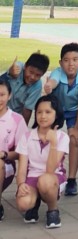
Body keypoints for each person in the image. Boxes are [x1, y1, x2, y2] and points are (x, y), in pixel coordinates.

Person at [44, 42, 78, 196]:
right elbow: (53, 81)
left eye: (75, 59)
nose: (71, 64)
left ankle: (71, 179)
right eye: (66, 60)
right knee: (49, 140)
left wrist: (77, 128)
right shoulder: (58, 73)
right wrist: (49, 86)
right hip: (57, 110)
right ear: (60, 62)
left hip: (75, 111)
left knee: (75, 140)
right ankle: (48, 172)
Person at [15, 94, 69, 229]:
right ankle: (34, 202)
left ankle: (52, 210)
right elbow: (22, 168)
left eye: (48, 112)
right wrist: (21, 184)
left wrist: (53, 143)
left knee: (45, 180)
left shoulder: (62, 137)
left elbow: (50, 170)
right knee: (23, 203)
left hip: (53, 178)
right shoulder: (27, 136)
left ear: (56, 115)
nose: (43, 116)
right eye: (39, 112)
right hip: (33, 177)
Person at [0, 77, 28, 222]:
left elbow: (21, 153)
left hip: (5, 165)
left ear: (9, 95)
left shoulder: (17, 119)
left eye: (2, 95)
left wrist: (4, 154)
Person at [1, 53, 49, 125]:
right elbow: (1, 81)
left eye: (37, 75)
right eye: (31, 72)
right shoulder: (17, 69)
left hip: (14, 115)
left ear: (43, 74)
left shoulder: (37, 86)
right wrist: (10, 72)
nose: (32, 77)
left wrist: (23, 129)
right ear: (25, 66)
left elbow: (27, 110)